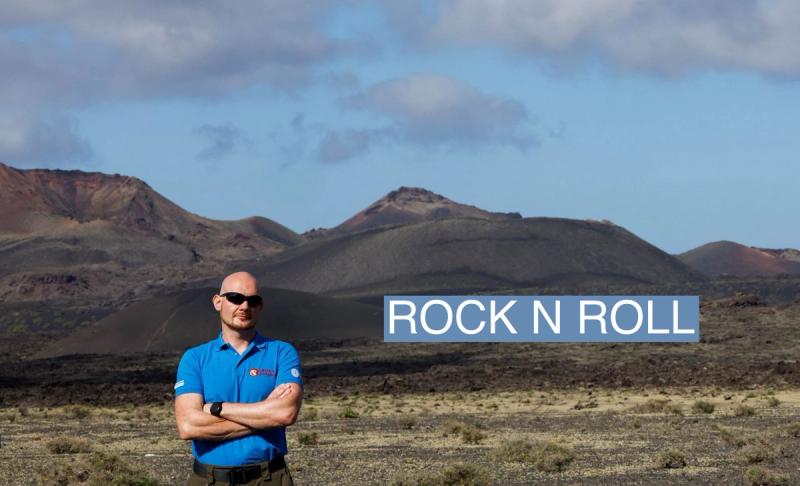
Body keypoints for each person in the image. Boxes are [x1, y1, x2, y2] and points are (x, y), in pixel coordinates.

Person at [174, 271, 303, 486]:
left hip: (269, 478)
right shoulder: (195, 358)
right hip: (210, 479)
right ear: (218, 302)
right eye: (235, 298)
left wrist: (217, 408)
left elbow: (285, 413)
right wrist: (266, 416)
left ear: (260, 306)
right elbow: (189, 426)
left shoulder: (281, 352)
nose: (244, 306)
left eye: (253, 300)